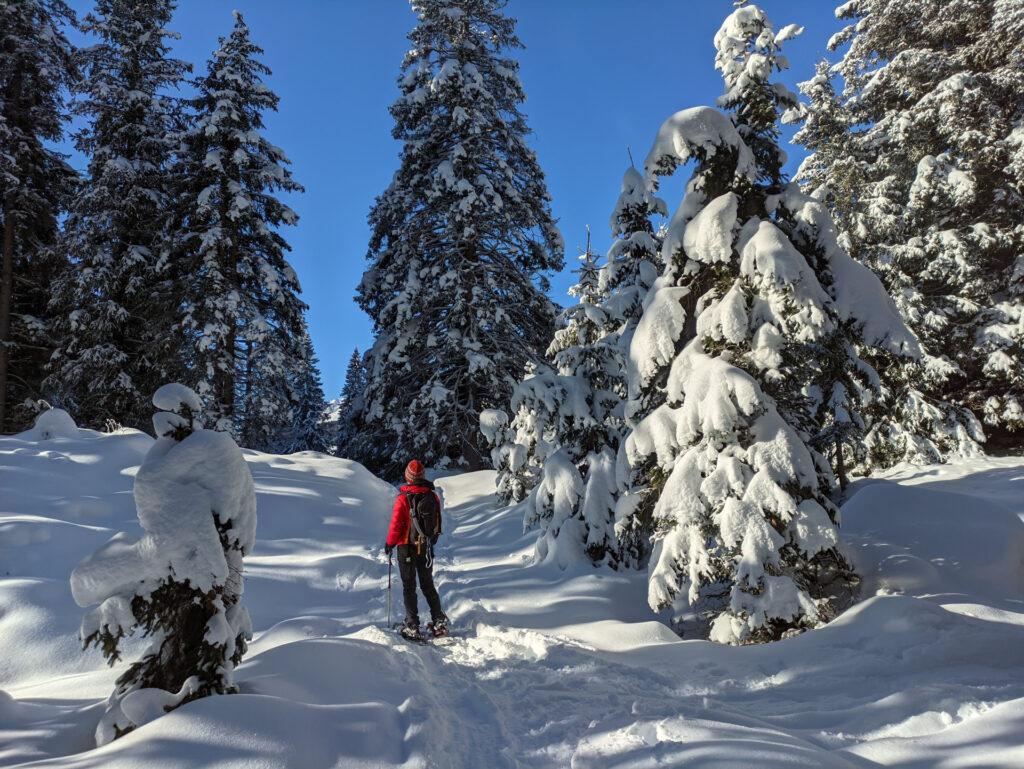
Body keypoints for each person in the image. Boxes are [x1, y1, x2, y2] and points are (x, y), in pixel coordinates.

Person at [385, 459, 448, 640]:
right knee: (427, 584)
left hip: (406, 546)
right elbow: (437, 522)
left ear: (408, 476)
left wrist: (390, 544)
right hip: (425, 547)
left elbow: (396, 525)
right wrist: (431, 541)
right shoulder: (432, 496)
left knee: (409, 586)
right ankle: (439, 622)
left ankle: (412, 625)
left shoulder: (403, 498)